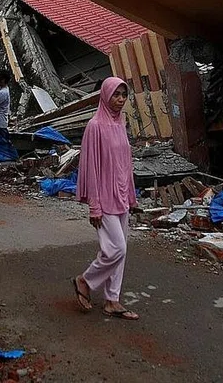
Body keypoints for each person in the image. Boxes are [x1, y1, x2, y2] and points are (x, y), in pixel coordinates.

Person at [71, 77, 139, 321]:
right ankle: (85, 280)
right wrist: (94, 205)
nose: (120, 100)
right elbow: (90, 167)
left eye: (124, 95)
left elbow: (125, 164)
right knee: (115, 248)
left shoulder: (120, 124)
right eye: (116, 95)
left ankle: (112, 299)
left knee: (122, 250)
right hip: (104, 198)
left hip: (121, 196)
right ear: (105, 95)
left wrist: (131, 195)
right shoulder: (95, 126)